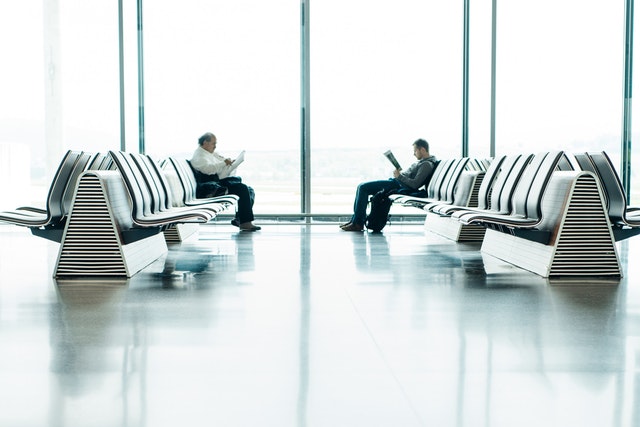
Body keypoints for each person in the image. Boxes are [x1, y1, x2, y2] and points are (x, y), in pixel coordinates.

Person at [341, 138, 438, 232]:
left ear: (423, 149)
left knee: (363, 187)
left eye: (415, 151)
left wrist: (399, 176)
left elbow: (415, 184)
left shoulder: (426, 165)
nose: (414, 154)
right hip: (396, 183)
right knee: (361, 186)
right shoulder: (422, 163)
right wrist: (400, 174)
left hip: (396, 185)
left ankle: (358, 223)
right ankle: (355, 221)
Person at [190, 132, 261, 232]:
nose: (215, 146)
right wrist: (223, 163)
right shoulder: (200, 156)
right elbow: (208, 169)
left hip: (216, 182)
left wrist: (229, 165)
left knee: (249, 190)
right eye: (213, 144)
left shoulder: (208, 154)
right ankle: (245, 222)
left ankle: (240, 219)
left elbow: (218, 169)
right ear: (205, 142)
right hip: (212, 187)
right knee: (242, 188)